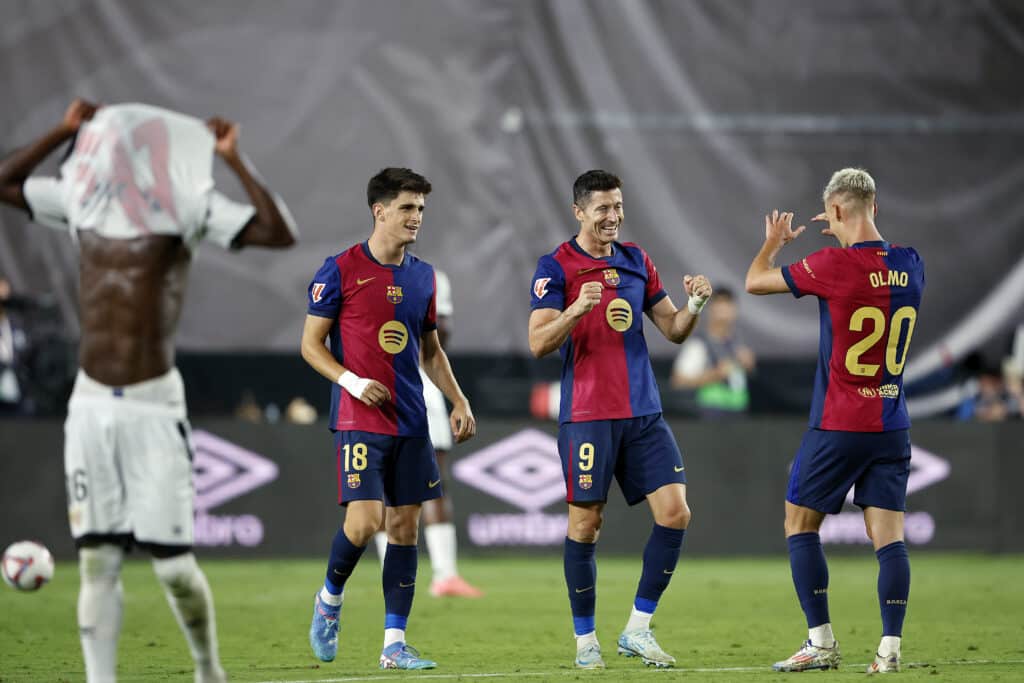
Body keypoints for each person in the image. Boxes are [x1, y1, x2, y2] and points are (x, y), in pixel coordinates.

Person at [0, 98, 297, 683]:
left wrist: (234, 159)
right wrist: (60, 129)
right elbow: (3, 183)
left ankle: (208, 670)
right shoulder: (82, 200)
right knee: (96, 561)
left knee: (174, 569)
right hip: (88, 404)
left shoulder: (185, 206)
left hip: (152, 405)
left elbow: (278, 232)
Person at [528, 170, 712, 669]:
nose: (613, 216)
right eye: (602, 208)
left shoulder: (636, 261)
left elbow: (673, 330)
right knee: (586, 524)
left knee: (676, 513)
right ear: (580, 212)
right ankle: (586, 640)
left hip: (644, 412)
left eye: (618, 206)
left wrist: (693, 303)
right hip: (588, 415)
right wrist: (573, 310)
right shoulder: (556, 266)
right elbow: (539, 342)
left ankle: (637, 629)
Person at [744, 168, 924, 674]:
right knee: (889, 539)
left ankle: (821, 642)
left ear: (836, 212)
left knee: (799, 525)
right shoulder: (912, 264)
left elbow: (754, 282)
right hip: (892, 422)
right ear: (876, 207)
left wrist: (774, 243)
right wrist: (853, 227)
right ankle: (889, 650)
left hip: (840, 424)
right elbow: (875, 264)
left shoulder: (830, 264)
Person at [301, 167, 476, 670]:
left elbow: (429, 348)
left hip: (411, 419)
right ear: (379, 210)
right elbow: (310, 345)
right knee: (365, 521)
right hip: (359, 417)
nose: (416, 217)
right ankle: (329, 600)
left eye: (421, 208)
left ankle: (394, 646)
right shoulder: (338, 270)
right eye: (407, 207)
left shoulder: (423, 276)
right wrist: (352, 382)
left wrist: (458, 399)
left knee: (404, 530)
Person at [372, 269, 484, 598]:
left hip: (395, 385)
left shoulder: (412, 277)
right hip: (410, 387)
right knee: (428, 481)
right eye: (408, 211)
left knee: (399, 483)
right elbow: (440, 333)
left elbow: (437, 335)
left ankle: (407, 573)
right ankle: (442, 575)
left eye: (416, 211)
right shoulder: (430, 277)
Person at [669, 287, 755, 417]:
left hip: (739, 414)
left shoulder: (738, 343)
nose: (724, 312)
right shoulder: (698, 345)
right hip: (710, 416)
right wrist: (714, 375)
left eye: (728, 305)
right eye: (720, 306)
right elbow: (678, 382)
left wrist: (748, 366)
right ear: (711, 309)